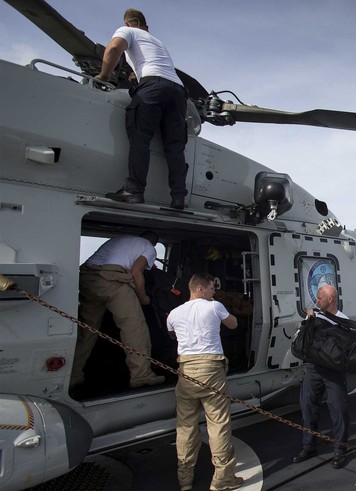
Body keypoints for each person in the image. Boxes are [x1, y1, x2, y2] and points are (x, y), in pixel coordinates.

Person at [96, 9, 188, 210]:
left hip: (153, 86)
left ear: (132, 23)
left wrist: (102, 76)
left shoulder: (128, 31)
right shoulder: (157, 42)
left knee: (140, 136)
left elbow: (113, 49)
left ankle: (134, 190)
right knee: (175, 147)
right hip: (178, 92)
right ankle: (179, 197)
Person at [167, 273, 243, 491]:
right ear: (200, 288)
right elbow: (233, 324)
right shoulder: (214, 306)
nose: (214, 292)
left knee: (185, 427)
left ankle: (185, 479)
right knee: (218, 424)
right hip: (211, 369)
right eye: (211, 288)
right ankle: (223, 478)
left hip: (186, 371)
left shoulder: (174, 313)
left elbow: (172, 335)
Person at [71, 231, 165, 390]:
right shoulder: (148, 247)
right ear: (154, 243)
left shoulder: (121, 240)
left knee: (87, 330)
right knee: (134, 328)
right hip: (112, 279)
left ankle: (73, 376)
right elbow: (136, 272)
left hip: (88, 278)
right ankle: (142, 375)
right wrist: (143, 298)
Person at [293, 284, 351, 469]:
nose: (316, 301)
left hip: (333, 371)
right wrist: (309, 320)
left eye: (319, 298)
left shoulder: (343, 321)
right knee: (308, 406)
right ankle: (309, 446)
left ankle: (340, 450)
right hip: (313, 369)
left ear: (330, 299)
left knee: (338, 409)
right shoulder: (314, 317)